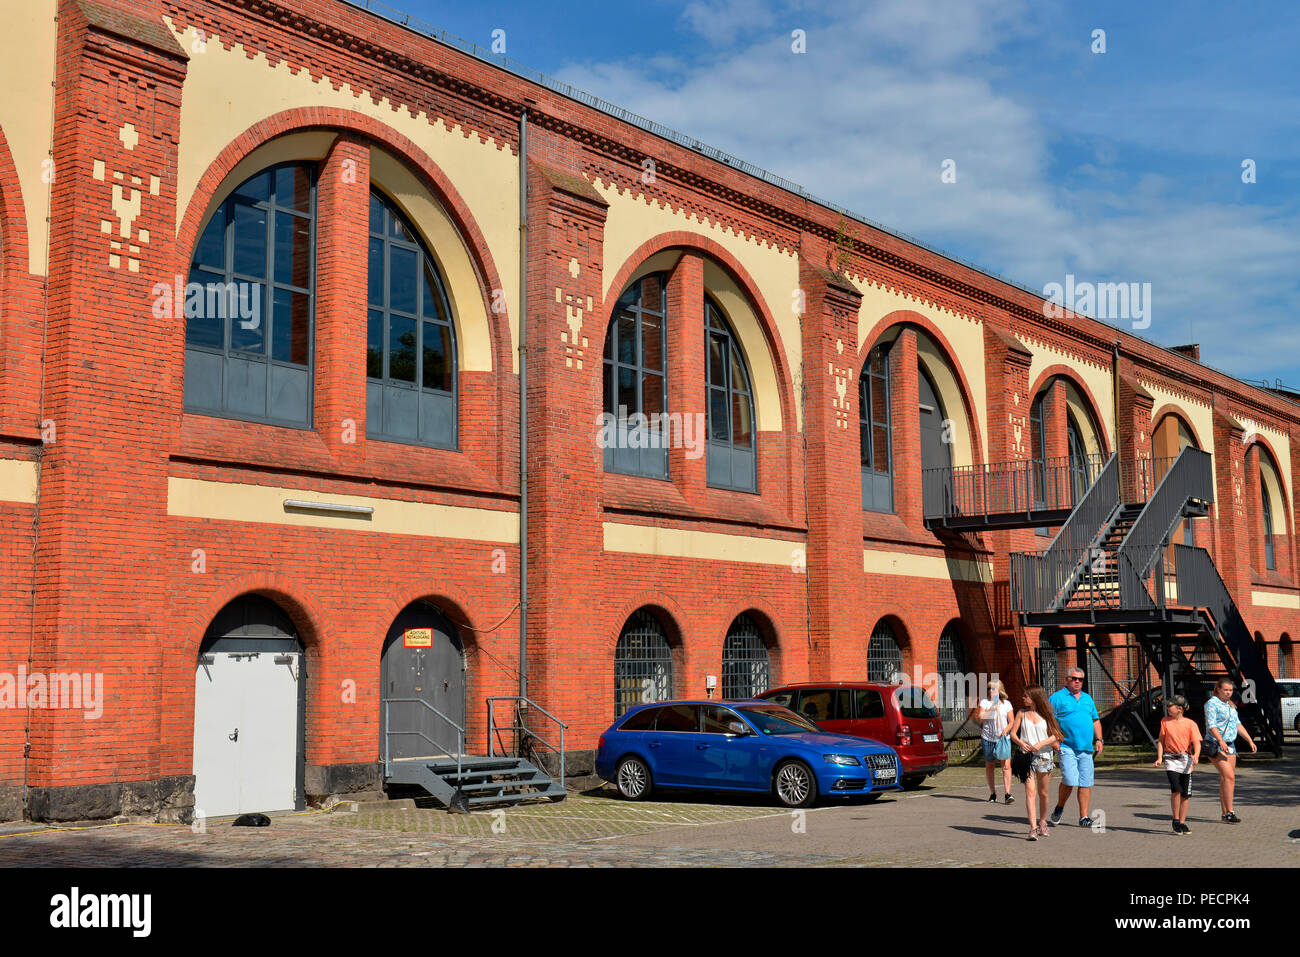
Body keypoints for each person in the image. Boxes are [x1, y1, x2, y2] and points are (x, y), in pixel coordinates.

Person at [1047, 667, 1103, 827]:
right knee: (1070, 779)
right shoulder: (1057, 698)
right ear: (1067, 680)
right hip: (1066, 746)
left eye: (1080, 679)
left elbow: (1095, 720)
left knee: (1085, 782)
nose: (1077, 681)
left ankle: (1083, 817)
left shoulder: (1087, 698)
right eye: (1074, 678)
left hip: (1086, 747)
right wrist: (1053, 740)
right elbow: (1049, 720)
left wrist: (1099, 739)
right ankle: (1060, 807)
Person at [1008, 685, 1064, 841]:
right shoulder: (1021, 713)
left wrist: (1040, 744)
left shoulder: (1046, 714)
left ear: (1034, 697)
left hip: (1044, 756)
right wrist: (1021, 743)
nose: (1023, 698)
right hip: (1026, 757)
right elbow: (1013, 733)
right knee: (1030, 792)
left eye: (1026, 696)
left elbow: (1056, 735)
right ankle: (1033, 828)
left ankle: (1043, 822)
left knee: (1043, 792)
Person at [1203, 677, 1257, 823]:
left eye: (1230, 690)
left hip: (1230, 745)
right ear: (1218, 689)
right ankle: (1230, 812)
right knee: (1229, 777)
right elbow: (1211, 725)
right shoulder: (1212, 703)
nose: (1228, 693)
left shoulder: (1230, 705)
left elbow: (1237, 724)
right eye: (1225, 690)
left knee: (1226, 779)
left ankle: (1225, 813)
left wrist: (1250, 740)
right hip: (1216, 744)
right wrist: (1220, 740)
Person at [1153, 694, 1202, 834]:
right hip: (1171, 759)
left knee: (1185, 794)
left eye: (1170, 706)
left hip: (1186, 760)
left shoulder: (1190, 724)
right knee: (1176, 789)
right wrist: (1159, 758)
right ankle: (1175, 820)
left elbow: (1196, 742)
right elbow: (1161, 741)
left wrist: (1196, 755)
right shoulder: (1165, 721)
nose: (1168, 708)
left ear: (1179, 709)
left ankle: (1182, 822)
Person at [976, 680, 1015, 804]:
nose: (991, 691)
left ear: (1000, 690)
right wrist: (992, 709)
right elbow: (980, 719)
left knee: (1006, 766)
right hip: (988, 738)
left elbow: (1012, 721)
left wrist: (1006, 730)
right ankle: (993, 793)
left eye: (994, 689)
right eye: (989, 689)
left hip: (1003, 738)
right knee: (990, 765)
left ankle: (1008, 794)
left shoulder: (1007, 704)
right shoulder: (985, 702)